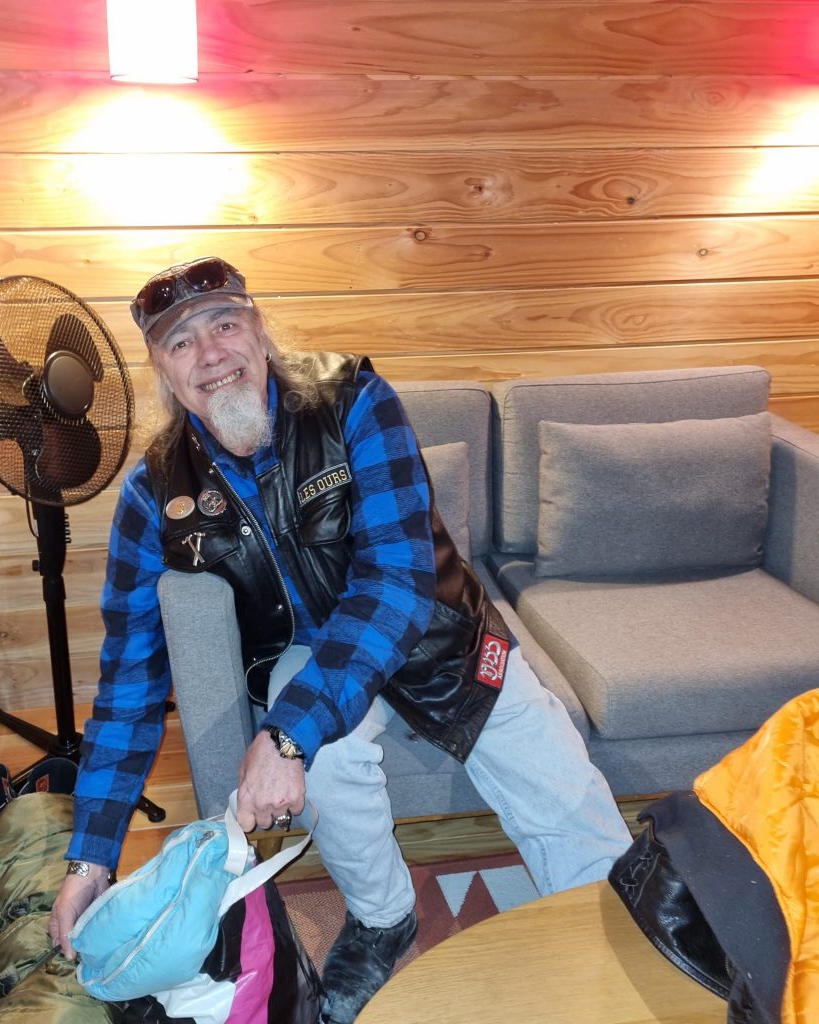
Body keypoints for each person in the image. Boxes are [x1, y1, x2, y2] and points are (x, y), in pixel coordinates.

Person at [49, 256, 632, 1023]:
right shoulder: (153, 492)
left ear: (258, 328)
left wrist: (285, 734)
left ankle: (626, 948)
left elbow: (396, 582)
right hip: (311, 656)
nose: (211, 355)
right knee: (323, 755)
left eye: (224, 324)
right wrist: (90, 858)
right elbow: (129, 682)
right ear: (161, 369)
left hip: (436, 636)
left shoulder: (353, 400)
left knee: (568, 801)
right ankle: (384, 918)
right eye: (181, 343)